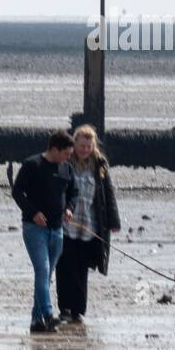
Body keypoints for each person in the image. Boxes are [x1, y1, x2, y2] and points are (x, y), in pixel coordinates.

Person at [11, 130, 77, 333]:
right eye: (66, 153)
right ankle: (48, 314)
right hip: (34, 229)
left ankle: (36, 321)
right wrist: (33, 213)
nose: (68, 157)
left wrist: (69, 209)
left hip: (57, 230)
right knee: (42, 270)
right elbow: (17, 192)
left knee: (47, 275)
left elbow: (73, 192)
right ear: (54, 149)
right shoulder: (32, 164)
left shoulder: (67, 168)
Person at [56, 124, 121, 323]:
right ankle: (64, 308)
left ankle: (78, 310)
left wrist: (113, 220)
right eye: (81, 145)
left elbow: (108, 193)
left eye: (88, 146)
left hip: (89, 225)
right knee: (64, 267)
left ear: (93, 146)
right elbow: (57, 189)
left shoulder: (100, 165)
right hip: (67, 225)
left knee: (81, 270)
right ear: (74, 144)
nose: (84, 149)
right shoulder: (66, 162)